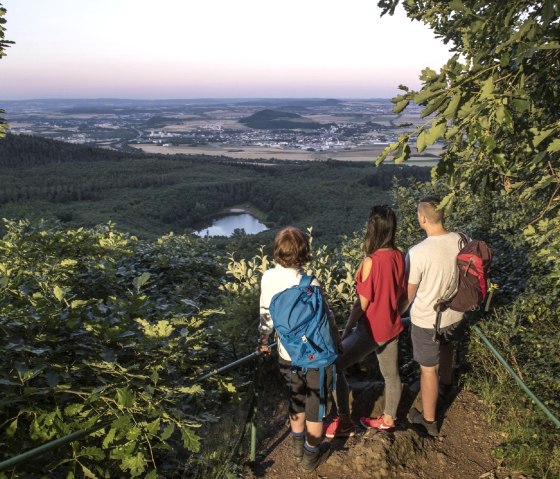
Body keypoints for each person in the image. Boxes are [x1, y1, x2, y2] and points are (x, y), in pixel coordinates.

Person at [257, 226, 341, 472]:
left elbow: (265, 317)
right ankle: (310, 457)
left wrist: (263, 342)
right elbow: (328, 319)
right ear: (305, 253)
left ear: (276, 253)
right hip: (315, 357)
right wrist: (338, 342)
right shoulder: (310, 283)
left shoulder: (268, 278)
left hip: (288, 354)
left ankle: (296, 446)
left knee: (297, 400)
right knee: (316, 407)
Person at [323, 205, 407, 438]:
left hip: (370, 330)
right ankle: (388, 418)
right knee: (391, 375)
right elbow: (400, 293)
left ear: (372, 228)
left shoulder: (371, 261)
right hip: (392, 325)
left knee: (335, 366)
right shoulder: (399, 255)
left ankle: (344, 421)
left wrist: (347, 329)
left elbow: (362, 304)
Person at [400, 196, 463, 437]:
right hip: (456, 314)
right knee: (447, 345)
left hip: (428, 320)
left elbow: (408, 294)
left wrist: (396, 314)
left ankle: (428, 421)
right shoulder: (461, 240)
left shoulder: (417, 252)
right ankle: (446, 385)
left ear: (423, 218)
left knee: (428, 370)